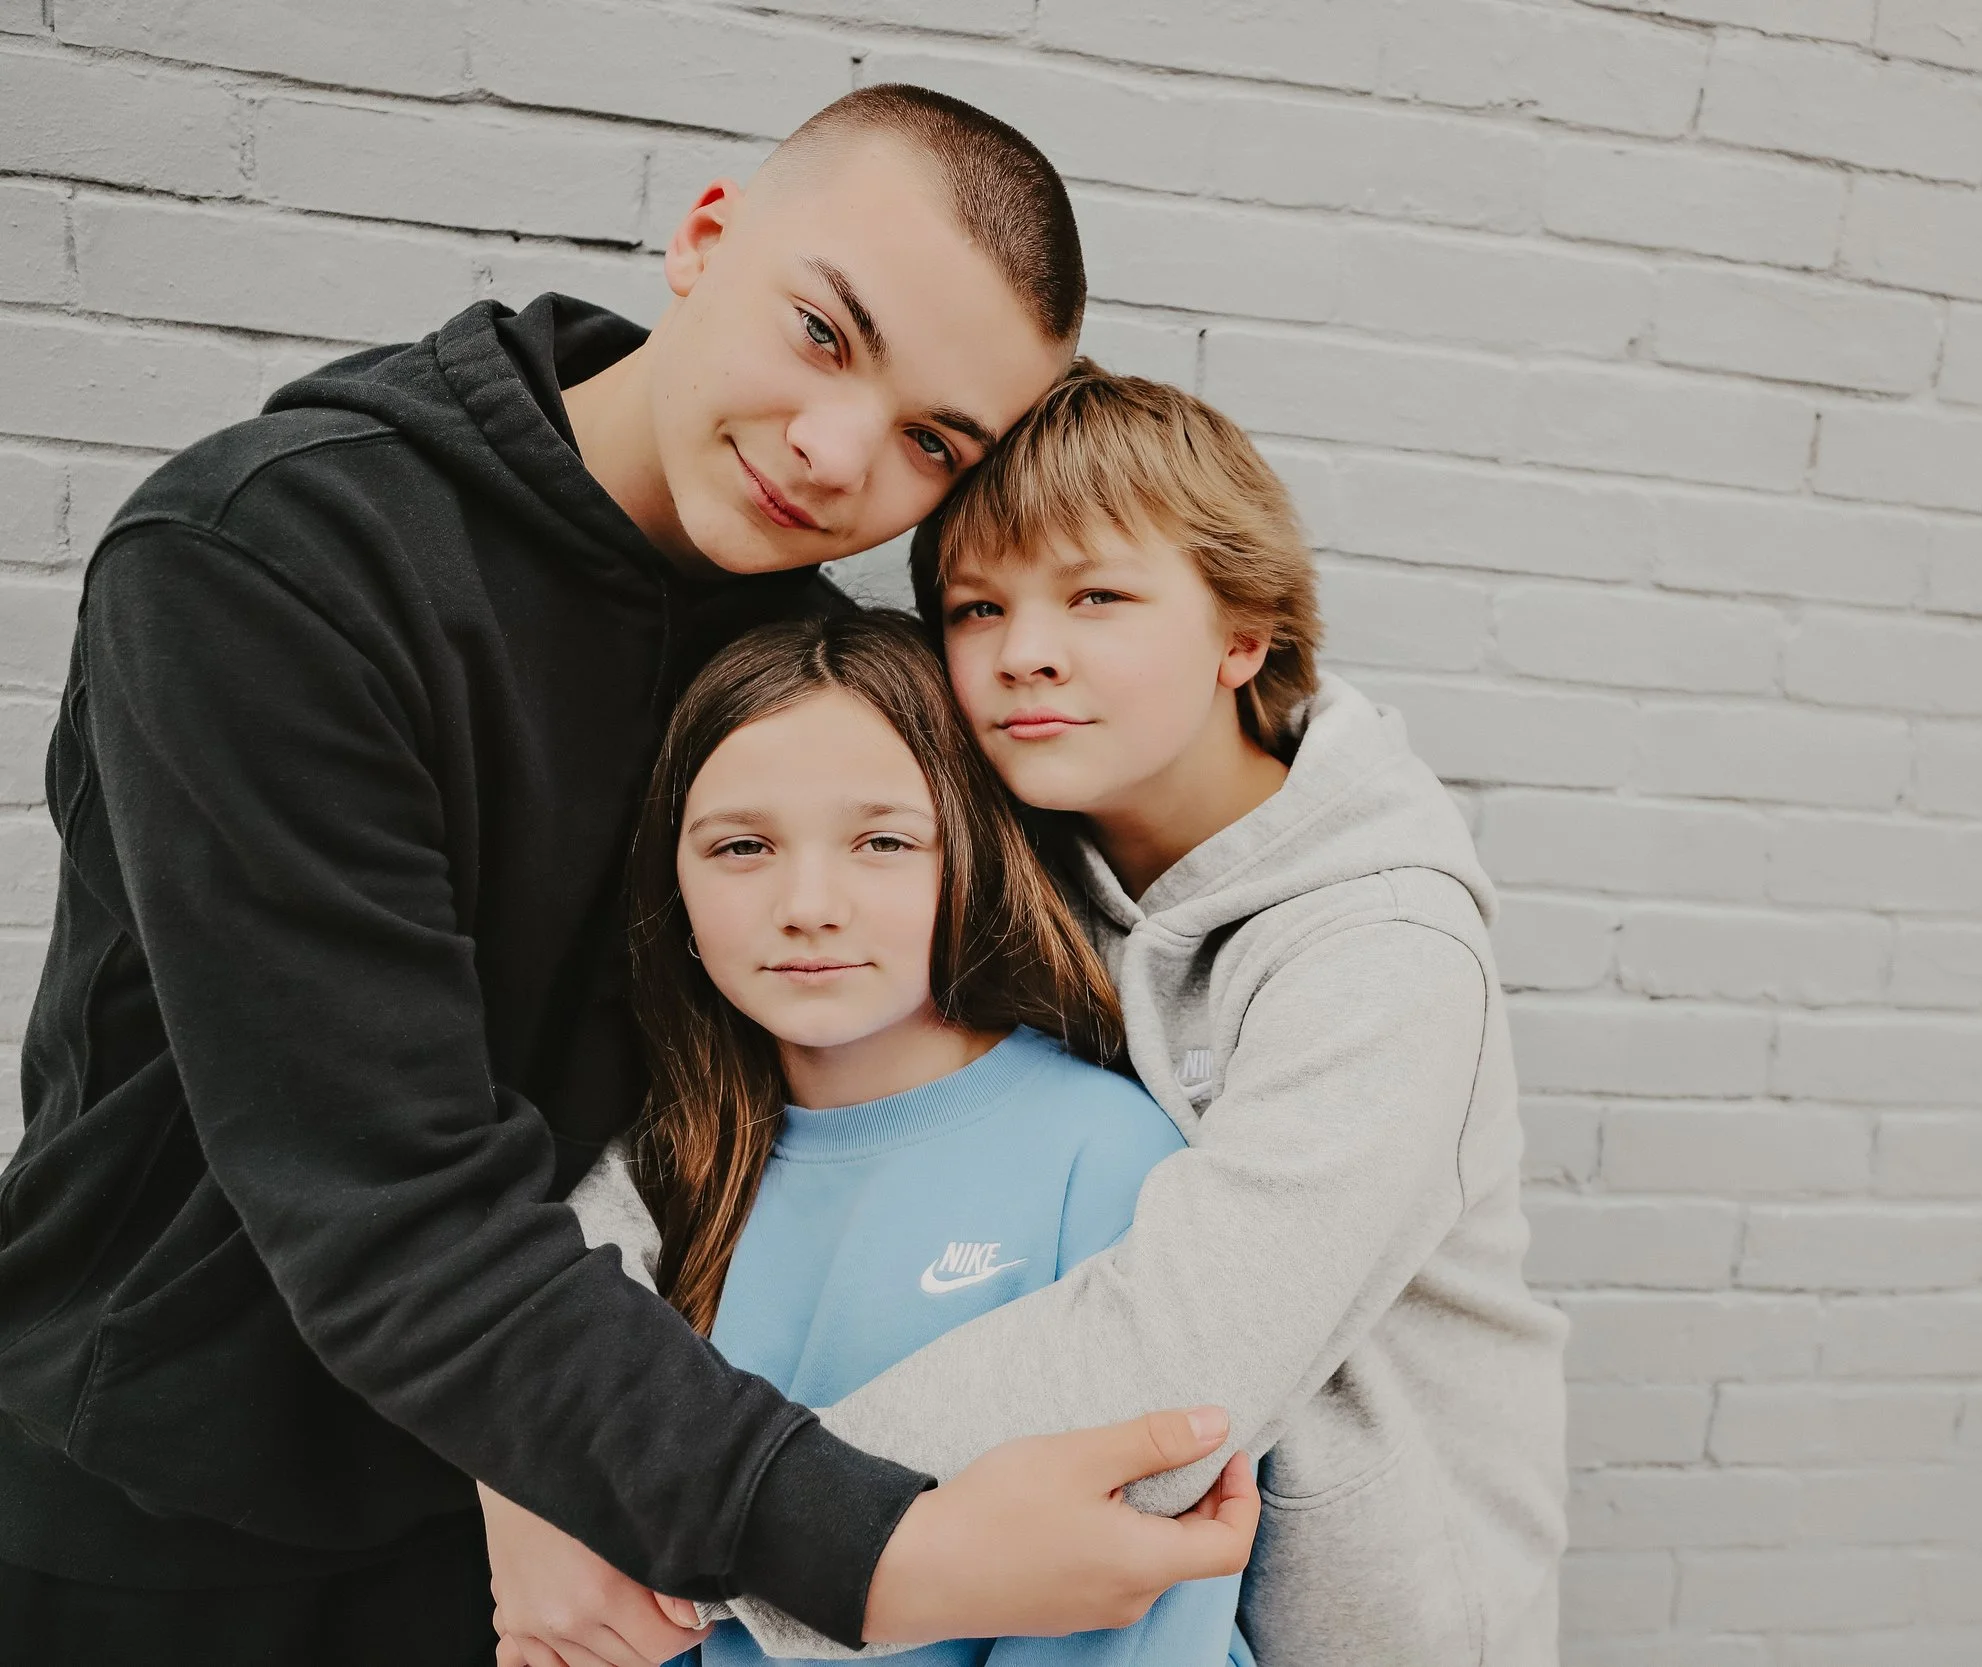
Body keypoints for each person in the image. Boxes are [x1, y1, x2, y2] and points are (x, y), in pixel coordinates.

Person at [0, 86, 1252, 1667]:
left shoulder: (781, 658)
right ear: (707, 235)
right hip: (173, 1508)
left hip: (569, 1516)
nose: (833, 448)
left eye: (934, 439)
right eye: (821, 330)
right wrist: (885, 1550)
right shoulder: (269, 562)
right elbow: (391, 1198)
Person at [557, 363, 1568, 1664]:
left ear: (1241, 635)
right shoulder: (1020, 850)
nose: (1027, 647)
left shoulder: (1382, 952)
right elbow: (692, 1134)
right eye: (978, 606)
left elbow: (1186, 1347)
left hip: (1360, 1623)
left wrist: (708, 1546)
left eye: (1096, 595)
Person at [555, 609, 1254, 1667]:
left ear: (970, 854)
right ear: (674, 886)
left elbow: (1131, 1609)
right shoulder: (658, 1173)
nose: (808, 905)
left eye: (882, 841)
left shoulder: (1106, 1156)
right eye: (741, 846)